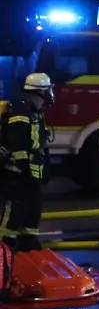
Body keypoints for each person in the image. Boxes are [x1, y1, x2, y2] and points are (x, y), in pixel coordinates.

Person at [1, 73, 52, 251]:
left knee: (33, 206)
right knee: (16, 206)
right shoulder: (20, 112)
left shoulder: (34, 112)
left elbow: (39, 142)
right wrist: (22, 168)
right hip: (19, 170)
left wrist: (46, 164)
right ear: (36, 93)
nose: (48, 97)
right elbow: (18, 141)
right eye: (46, 92)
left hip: (33, 167)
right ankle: (6, 244)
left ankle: (28, 240)